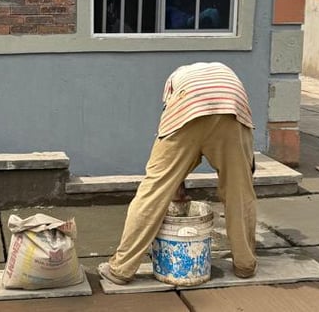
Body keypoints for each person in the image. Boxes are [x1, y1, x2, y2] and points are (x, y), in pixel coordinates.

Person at [99, 61, 257, 285]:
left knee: (153, 191)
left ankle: (121, 269)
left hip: (186, 109)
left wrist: (175, 188)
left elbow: (174, 152)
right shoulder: (226, 73)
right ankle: (245, 264)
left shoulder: (175, 81)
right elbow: (247, 165)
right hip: (232, 110)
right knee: (239, 192)